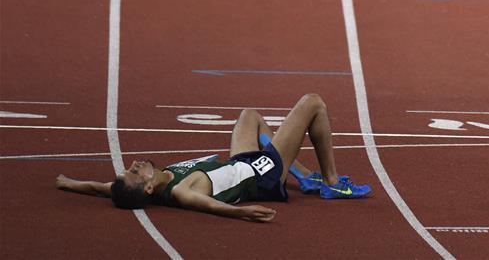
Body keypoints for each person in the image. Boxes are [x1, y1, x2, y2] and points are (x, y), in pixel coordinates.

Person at [56, 93, 371, 221]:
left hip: (239, 164)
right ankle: (331, 183)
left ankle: (302, 176)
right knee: (313, 102)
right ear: (148, 189)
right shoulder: (180, 191)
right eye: (135, 173)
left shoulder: (155, 182)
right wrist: (243, 213)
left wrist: (69, 183)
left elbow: (102, 188)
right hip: (263, 175)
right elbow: (207, 205)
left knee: (250, 116)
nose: (134, 165)